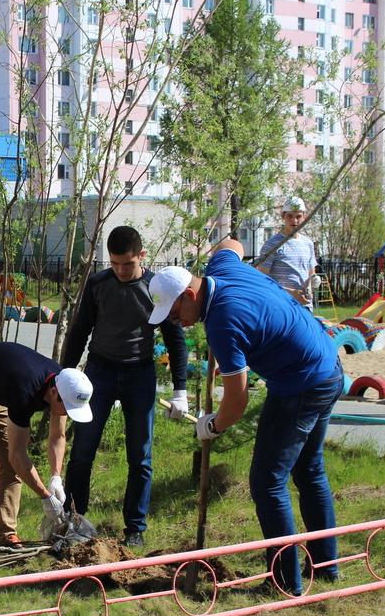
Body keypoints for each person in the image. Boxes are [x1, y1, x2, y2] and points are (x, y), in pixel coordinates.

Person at [147, 237, 343, 597]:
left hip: (300, 384)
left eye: (175, 315)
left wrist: (213, 426)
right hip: (328, 366)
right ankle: (326, 567)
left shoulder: (222, 321)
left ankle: (285, 584)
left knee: (267, 483)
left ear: (190, 296)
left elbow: (236, 400)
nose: (178, 324)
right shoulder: (221, 268)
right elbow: (232, 243)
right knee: (309, 469)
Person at [60, 226, 189, 548]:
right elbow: (79, 332)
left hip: (139, 376)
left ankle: (135, 528)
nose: (119, 270)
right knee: (82, 452)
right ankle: (75, 521)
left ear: (141, 256)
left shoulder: (154, 287)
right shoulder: (98, 284)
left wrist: (180, 390)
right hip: (99, 373)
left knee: (140, 456)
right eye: (114, 264)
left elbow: (175, 339)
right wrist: (63, 375)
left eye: (127, 264)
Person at [0, 341, 94, 564]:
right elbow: (18, 455)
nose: (68, 413)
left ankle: (6, 537)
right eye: (68, 408)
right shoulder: (25, 391)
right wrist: (46, 497)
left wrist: (55, 479)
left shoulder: (64, 384)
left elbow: (57, 437)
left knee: (10, 470)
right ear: (53, 393)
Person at [256, 196, 318, 309]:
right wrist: (290, 292)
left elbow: (311, 273)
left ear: (304, 217)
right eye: (290, 216)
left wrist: (313, 280)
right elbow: (261, 279)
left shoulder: (308, 243)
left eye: (298, 216)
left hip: (305, 305)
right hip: (281, 306)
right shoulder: (273, 244)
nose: (294, 221)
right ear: (282, 216)